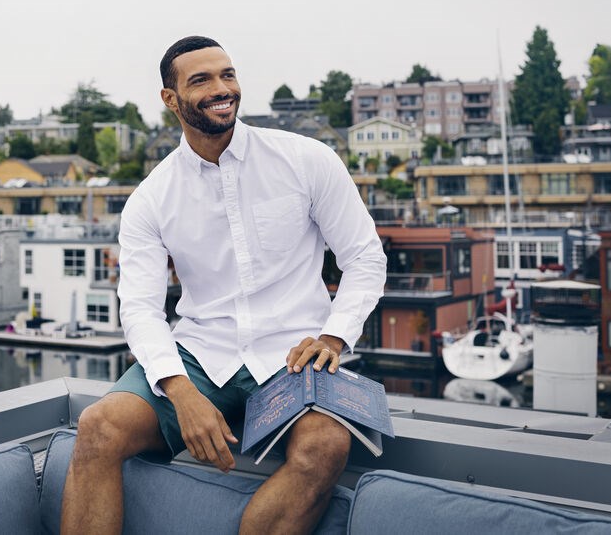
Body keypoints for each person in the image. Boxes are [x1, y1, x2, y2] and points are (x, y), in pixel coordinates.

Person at [60, 36, 386, 534]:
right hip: (199, 353)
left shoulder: (306, 159)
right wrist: (179, 390)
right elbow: (141, 310)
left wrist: (334, 336)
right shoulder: (151, 199)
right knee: (97, 428)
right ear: (170, 99)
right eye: (202, 80)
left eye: (227, 75)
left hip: (295, 354)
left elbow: (364, 256)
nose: (222, 89)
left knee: (325, 446)